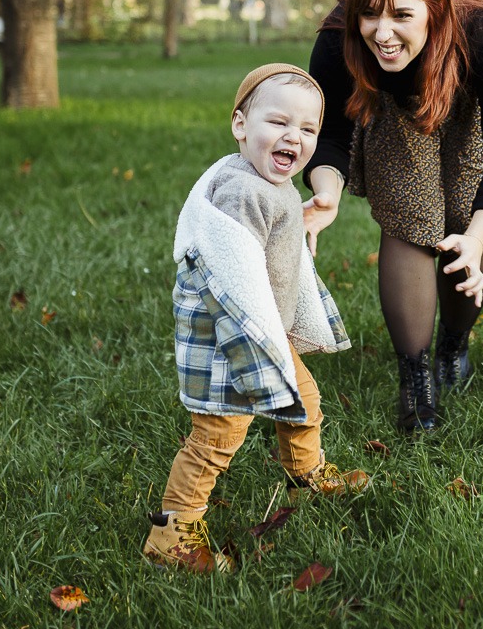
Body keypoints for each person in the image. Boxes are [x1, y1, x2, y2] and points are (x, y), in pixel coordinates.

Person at [304, 0, 483, 434]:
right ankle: (416, 380)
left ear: (434, 10)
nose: (382, 32)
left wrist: (477, 237)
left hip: (462, 82)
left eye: (401, 16)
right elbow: (326, 134)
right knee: (408, 216)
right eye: (370, 14)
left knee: (463, 217)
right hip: (392, 111)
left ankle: (452, 348)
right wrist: (326, 193)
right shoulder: (340, 38)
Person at [144, 64, 363, 574]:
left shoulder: (268, 182)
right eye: (278, 122)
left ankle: (304, 474)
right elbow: (232, 276)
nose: (294, 136)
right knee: (217, 437)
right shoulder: (243, 192)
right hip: (233, 336)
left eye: (308, 129)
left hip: (263, 329)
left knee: (304, 399)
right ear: (241, 125)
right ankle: (171, 535)